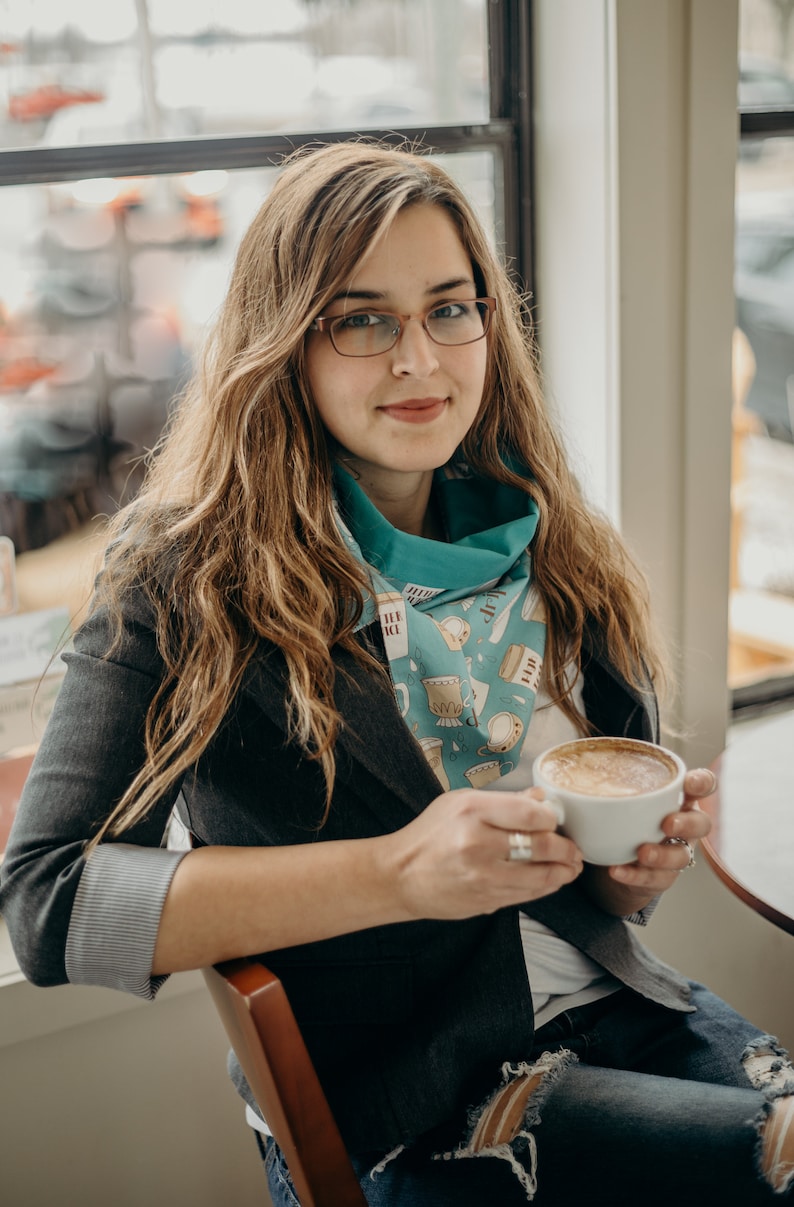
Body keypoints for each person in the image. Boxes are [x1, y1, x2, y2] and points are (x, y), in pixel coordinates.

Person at [1, 140, 792, 1207]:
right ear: (284, 344)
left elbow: (580, 894)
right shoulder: (180, 572)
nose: (419, 358)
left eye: (448, 308)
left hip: (613, 1010)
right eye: (363, 319)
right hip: (412, 1099)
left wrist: (626, 871)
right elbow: (48, 902)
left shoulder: (550, 535)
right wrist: (395, 872)